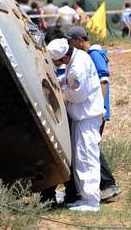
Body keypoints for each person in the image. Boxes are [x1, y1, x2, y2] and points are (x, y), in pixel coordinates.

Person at [46, 38, 103, 212]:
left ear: (62, 58)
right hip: (84, 116)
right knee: (81, 159)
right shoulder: (80, 57)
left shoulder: (77, 68)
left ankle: (92, 202)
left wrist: (62, 93)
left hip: (87, 117)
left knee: (87, 159)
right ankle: (85, 197)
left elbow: (78, 95)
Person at [66, 27, 121, 201]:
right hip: (94, 110)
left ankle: (108, 184)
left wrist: (100, 108)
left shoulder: (94, 55)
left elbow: (103, 81)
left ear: (80, 40)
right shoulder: (86, 56)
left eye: (71, 41)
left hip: (96, 111)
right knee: (90, 147)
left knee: (91, 147)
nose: (70, 45)